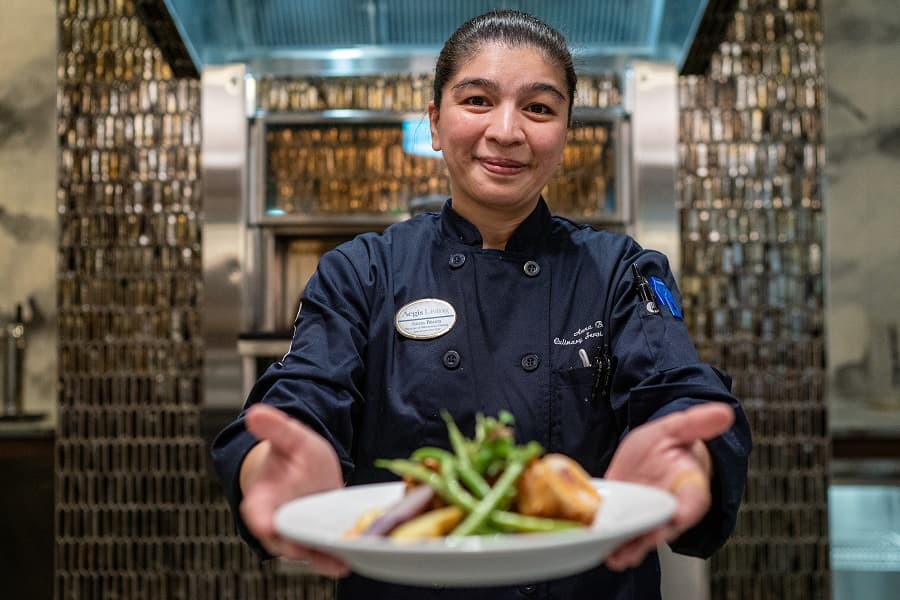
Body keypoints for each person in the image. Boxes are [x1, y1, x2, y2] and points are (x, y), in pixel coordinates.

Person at [212, 9, 751, 600]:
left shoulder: (620, 271)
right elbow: (302, 400)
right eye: (477, 100)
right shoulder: (360, 272)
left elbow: (675, 392)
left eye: (539, 108)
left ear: (565, 137)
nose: (507, 130)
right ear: (436, 122)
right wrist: (273, 465)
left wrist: (688, 456)